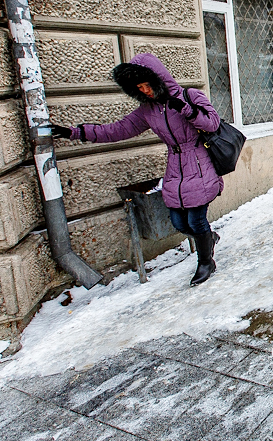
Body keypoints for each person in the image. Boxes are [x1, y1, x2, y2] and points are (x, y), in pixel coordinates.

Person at [50, 53, 224, 286]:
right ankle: (207, 239)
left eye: (147, 85)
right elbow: (117, 130)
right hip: (175, 166)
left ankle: (205, 262)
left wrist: (186, 109)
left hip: (200, 162)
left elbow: (212, 123)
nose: (145, 91)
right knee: (179, 222)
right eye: (139, 88)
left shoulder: (190, 95)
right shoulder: (148, 111)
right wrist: (75, 132)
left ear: (158, 79)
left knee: (196, 219)